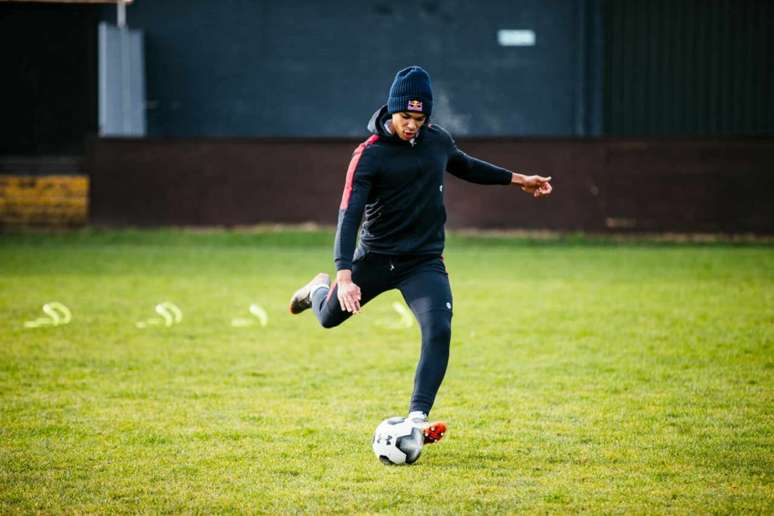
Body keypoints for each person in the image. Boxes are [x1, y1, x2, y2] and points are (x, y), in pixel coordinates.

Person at [289, 66, 552, 445]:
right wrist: (343, 276)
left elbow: (466, 166)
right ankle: (317, 289)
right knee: (328, 319)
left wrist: (519, 180)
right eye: (405, 117)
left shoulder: (437, 140)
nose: (412, 125)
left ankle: (416, 418)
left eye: (420, 118)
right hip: (376, 258)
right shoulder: (368, 156)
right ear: (390, 111)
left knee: (439, 330)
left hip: (423, 262)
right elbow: (349, 216)